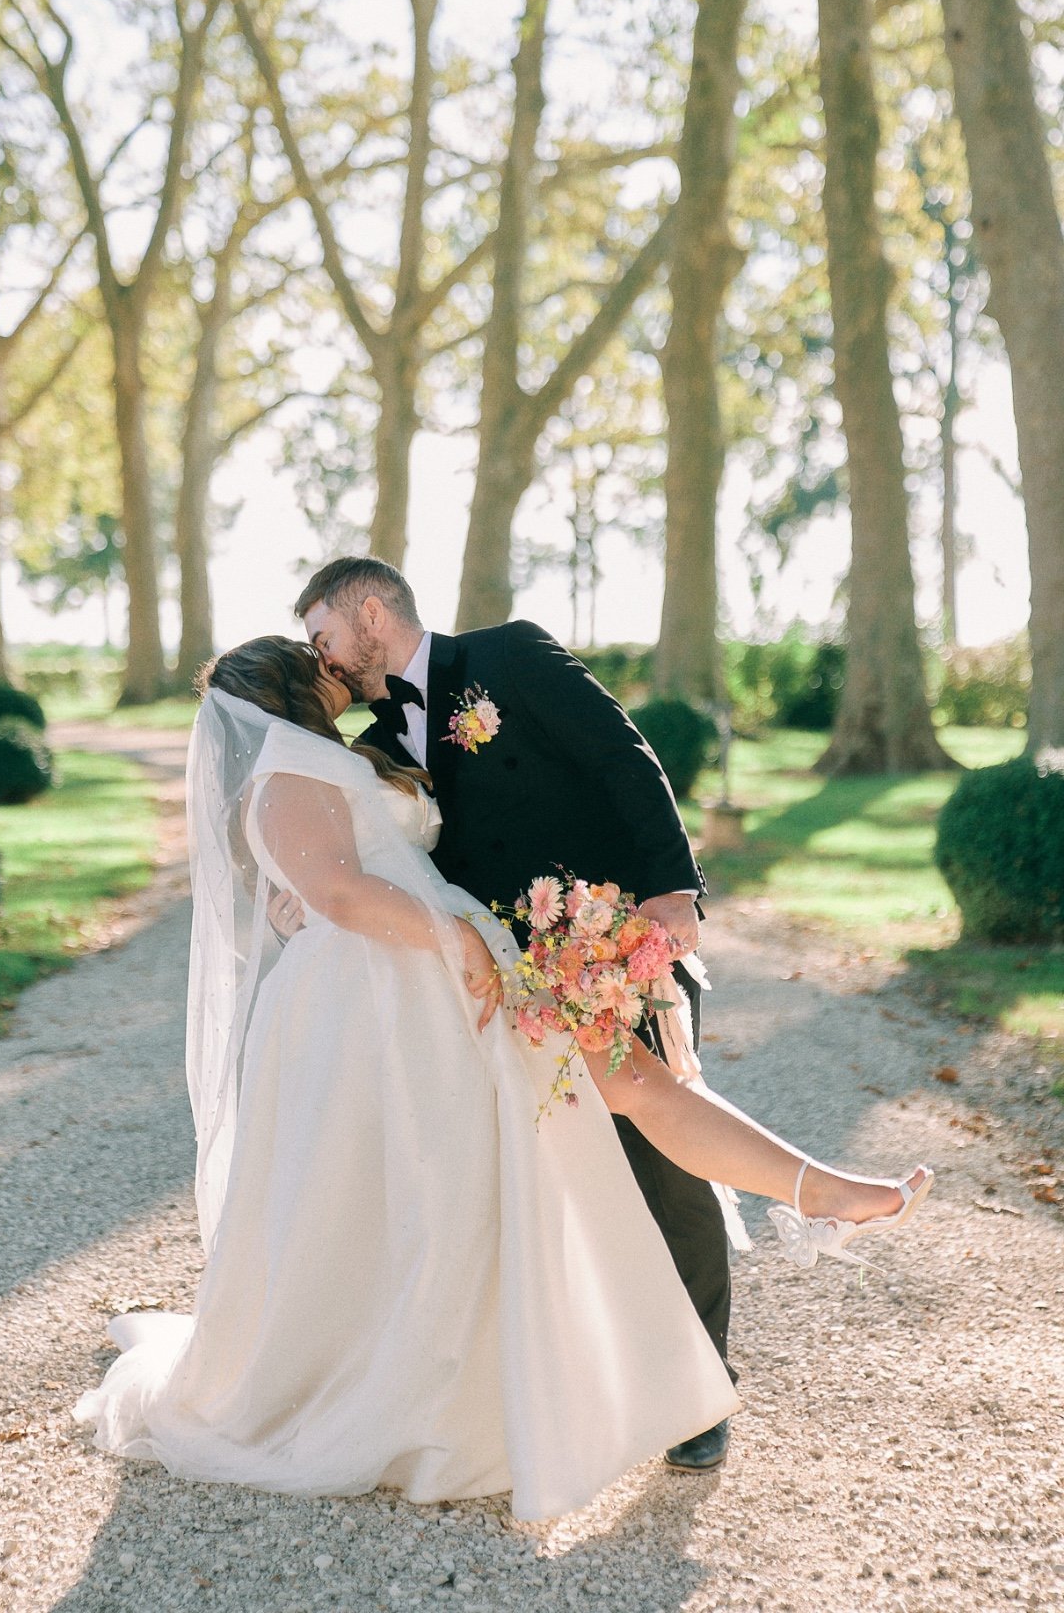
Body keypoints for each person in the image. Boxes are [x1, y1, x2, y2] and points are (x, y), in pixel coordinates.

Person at [74, 637, 931, 1522]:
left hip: (452, 969)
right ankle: (458, 1390)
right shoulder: (288, 771)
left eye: (325, 637)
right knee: (513, 1153)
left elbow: (410, 851)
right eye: (314, 654)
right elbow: (338, 897)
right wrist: (472, 944)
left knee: (624, 1089)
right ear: (290, 685)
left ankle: (818, 1191)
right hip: (401, 989)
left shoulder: (351, 749)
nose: (329, 657)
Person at [297, 557, 730, 1469]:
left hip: (614, 949)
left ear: (372, 612)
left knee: (666, 1164)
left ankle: (700, 1399)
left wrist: (673, 890)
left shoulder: (512, 655)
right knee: (550, 1178)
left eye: (325, 636)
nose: (322, 658)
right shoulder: (367, 740)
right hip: (503, 986)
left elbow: (626, 759)